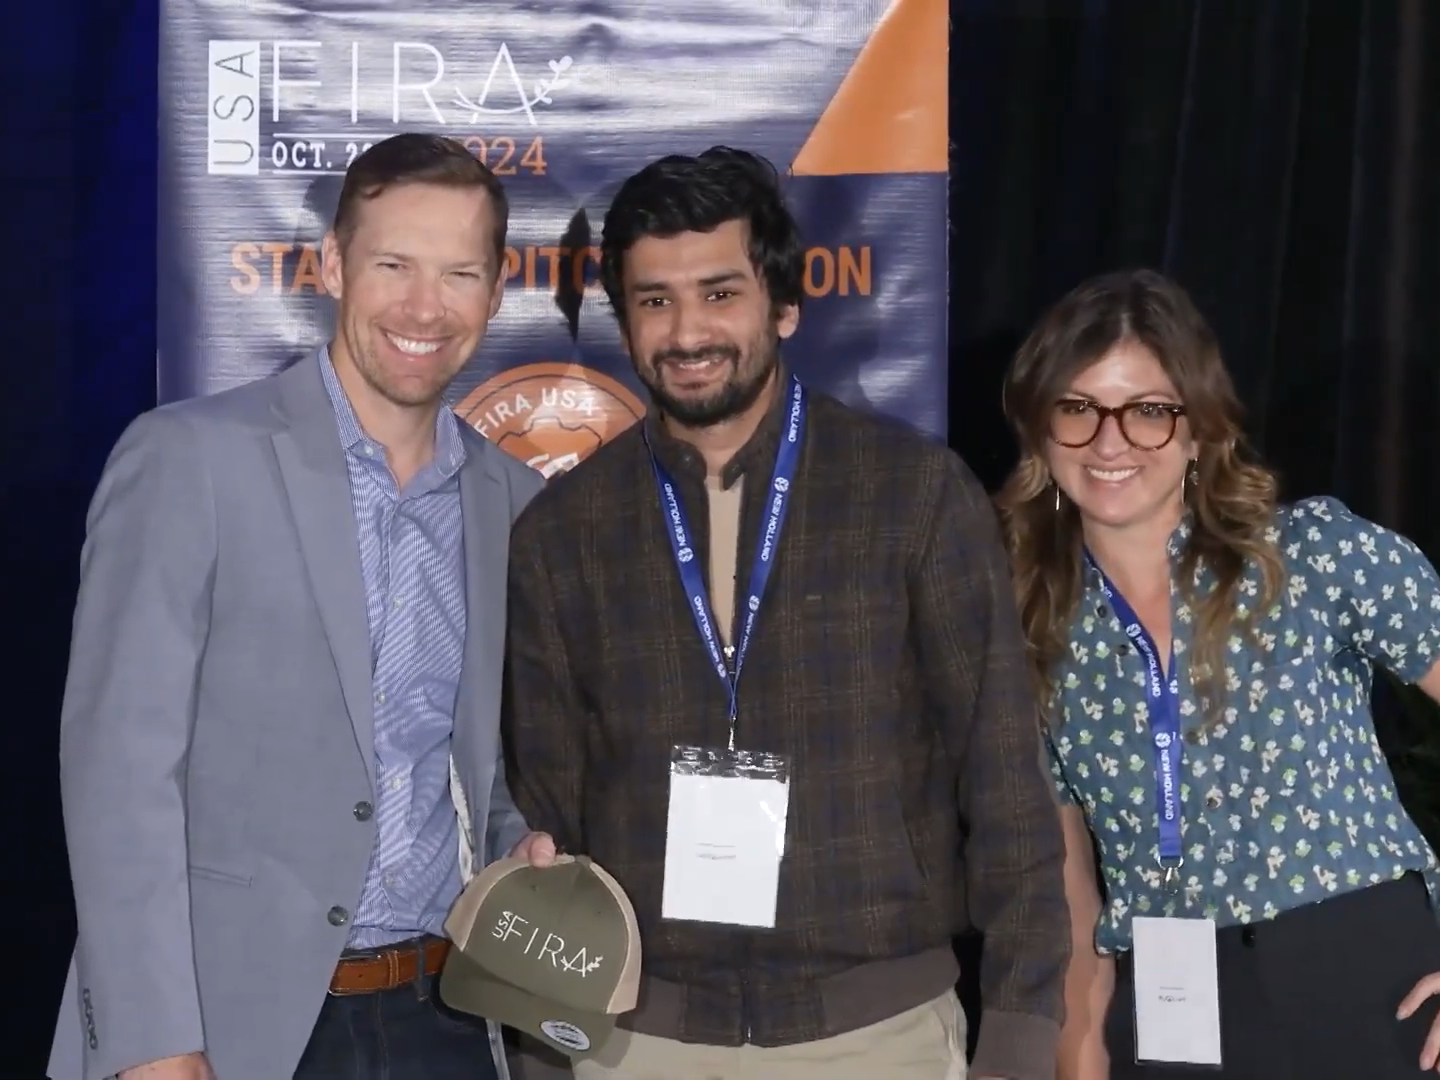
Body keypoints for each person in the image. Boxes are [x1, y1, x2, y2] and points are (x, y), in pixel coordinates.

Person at [500, 145, 1070, 1080]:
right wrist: (544, 1048)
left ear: (784, 305)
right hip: (636, 1046)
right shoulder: (565, 531)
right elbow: (546, 817)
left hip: (877, 1038)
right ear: (623, 320)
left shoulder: (914, 493)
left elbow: (1004, 778)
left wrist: (1018, 1031)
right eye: (654, 300)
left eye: (719, 294)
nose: (687, 330)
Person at [48, 133, 555, 1080]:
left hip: (447, 1021)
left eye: (459, 273)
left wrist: (528, 850)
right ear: (330, 266)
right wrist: (154, 1042)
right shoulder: (189, 460)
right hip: (233, 1028)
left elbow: (481, 778)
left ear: (494, 293)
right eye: (393, 264)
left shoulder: (515, 505)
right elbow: (119, 774)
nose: (423, 306)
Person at [994, 268, 1440, 1080]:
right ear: (1039, 429)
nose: (1109, 441)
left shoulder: (1312, 556)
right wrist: (1082, 1060)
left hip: (1371, 985)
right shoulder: (1028, 633)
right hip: (1172, 1018)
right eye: (1078, 407)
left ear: (1199, 430)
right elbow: (1067, 893)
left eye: (1149, 412)